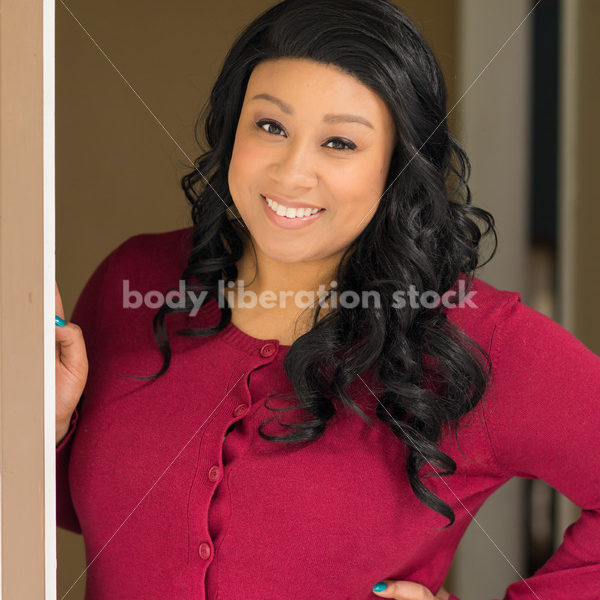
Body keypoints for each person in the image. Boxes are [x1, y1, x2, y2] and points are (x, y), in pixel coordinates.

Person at [55, 0, 600, 598]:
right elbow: (74, 510)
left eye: (339, 142)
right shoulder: (131, 282)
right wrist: (48, 430)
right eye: (270, 126)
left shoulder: (479, 338)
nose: (293, 173)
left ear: (397, 164)